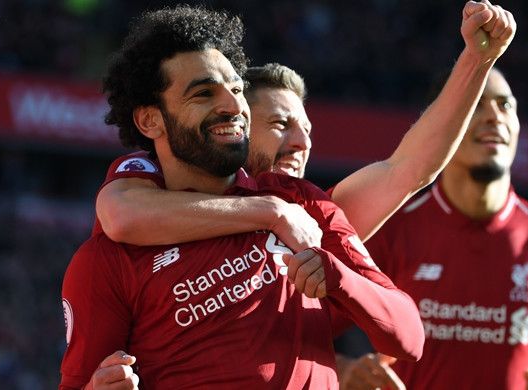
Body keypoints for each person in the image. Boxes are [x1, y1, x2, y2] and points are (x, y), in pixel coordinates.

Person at [60, 6, 426, 389]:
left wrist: (338, 277)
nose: (233, 106)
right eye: (203, 93)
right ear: (150, 120)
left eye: (236, 89)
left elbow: (409, 336)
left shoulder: (301, 201)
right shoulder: (108, 259)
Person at [95, 1, 517, 250]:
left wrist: (476, 61)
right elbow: (122, 214)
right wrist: (271, 212)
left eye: (308, 132)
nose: (300, 144)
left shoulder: (312, 216)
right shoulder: (153, 183)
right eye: (280, 124)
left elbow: (407, 169)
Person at [338, 68, 528, 390]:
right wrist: (345, 370)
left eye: (505, 105)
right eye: (476, 105)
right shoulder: (387, 231)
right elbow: (304, 331)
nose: (494, 117)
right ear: (441, 123)